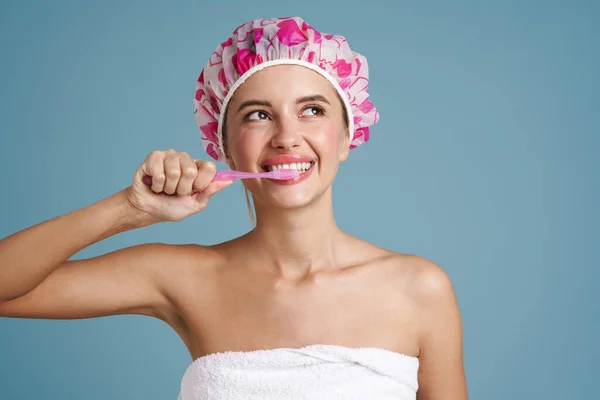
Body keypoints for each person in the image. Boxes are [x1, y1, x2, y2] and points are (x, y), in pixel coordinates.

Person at [0, 17, 468, 399]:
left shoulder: (419, 289)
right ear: (224, 147)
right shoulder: (182, 277)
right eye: (258, 115)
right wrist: (130, 207)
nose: (286, 136)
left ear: (347, 136)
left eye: (312, 110)